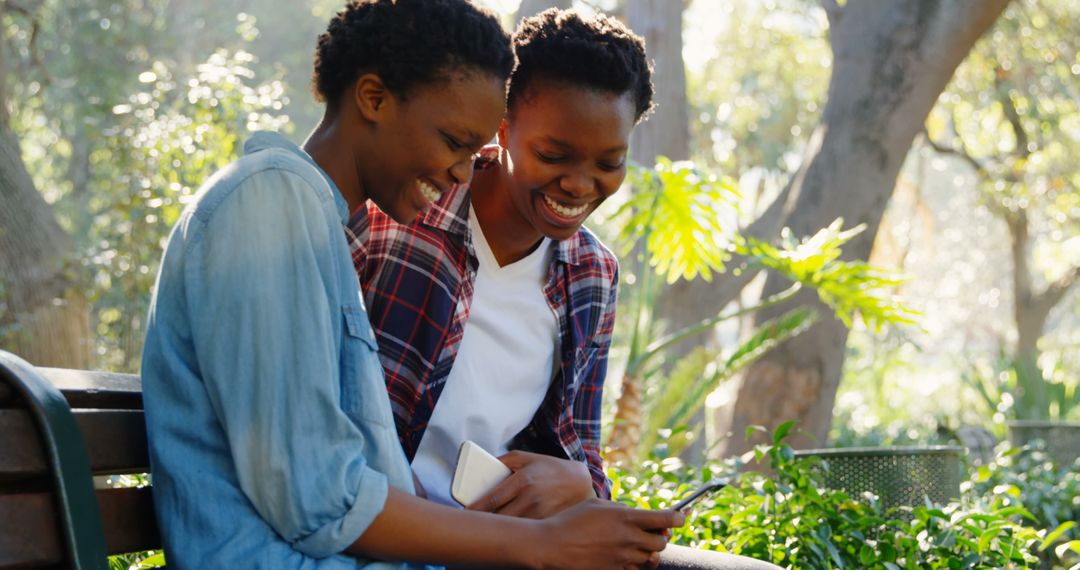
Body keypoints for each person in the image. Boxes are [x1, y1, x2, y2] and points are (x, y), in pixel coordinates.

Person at [141, 1, 682, 568]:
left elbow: (332, 473)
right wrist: (541, 546)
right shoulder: (281, 201)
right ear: (374, 98)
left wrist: (578, 496)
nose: (464, 172)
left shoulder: (315, 219)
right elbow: (321, 496)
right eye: (457, 143)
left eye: (475, 154)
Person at [350, 8, 779, 569]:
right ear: (501, 129)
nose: (580, 185)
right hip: (397, 538)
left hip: (515, 547)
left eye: (610, 162)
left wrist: (577, 482)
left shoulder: (590, 274)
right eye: (553, 156)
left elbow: (580, 451)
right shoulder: (399, 217)